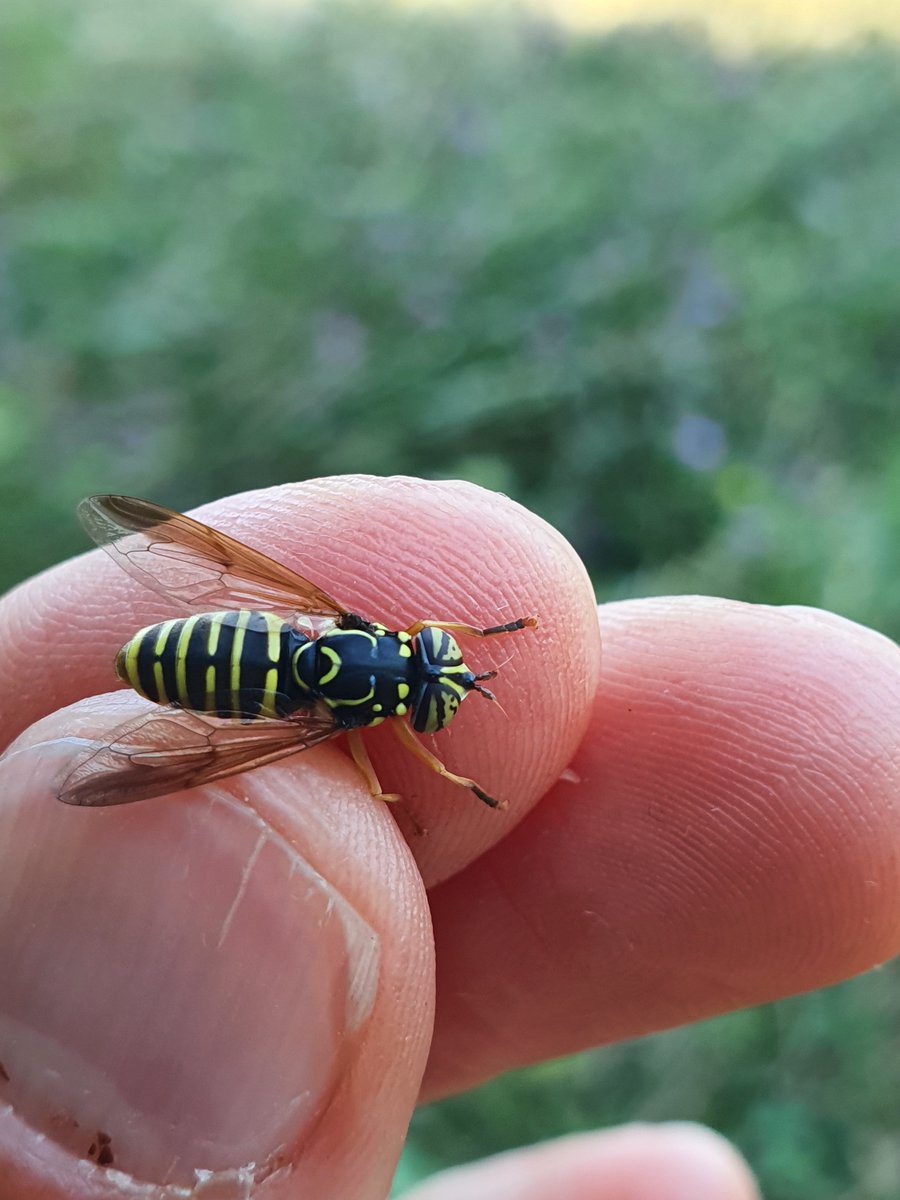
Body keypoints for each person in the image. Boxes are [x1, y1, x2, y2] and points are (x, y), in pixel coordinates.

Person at [2, 475, 896, 1200]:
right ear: (407, 664)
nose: (447, 670)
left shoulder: (341, 625)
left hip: (231, 637)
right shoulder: (335, 719)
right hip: (221, 675)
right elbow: (352, 763)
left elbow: (223, 573)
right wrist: (458, 784)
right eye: (441, 670)